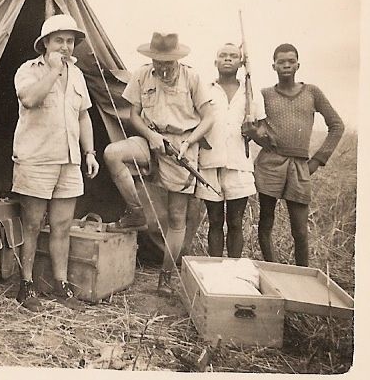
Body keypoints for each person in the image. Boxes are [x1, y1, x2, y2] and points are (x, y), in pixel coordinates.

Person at [103, 32, 214, 296]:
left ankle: (166, 276)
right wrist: (151, 135)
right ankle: (136, 211)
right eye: (158, 61)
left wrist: (188, 143)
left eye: (168, 62)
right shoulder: (142, 75)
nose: (162, 67)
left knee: (177, 218)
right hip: (151, 140)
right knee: (112, 153)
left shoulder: (192, 77)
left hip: (180, 146)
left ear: (177, 58)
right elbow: (133, 114)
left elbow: (209, 117)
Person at [12, 14, 99, 312]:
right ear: (45, 43)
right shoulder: (28, 71)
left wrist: (89, 152)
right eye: (59, 40)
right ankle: (26, 284)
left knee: (62, 225)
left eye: (70, 41)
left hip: (69, 160)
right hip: (36, 159)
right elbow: (30, 100)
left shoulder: (77, 75)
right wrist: (52, 71)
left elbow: (83, 115)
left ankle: (60, 284)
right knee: (33, 224)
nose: (65, 46)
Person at [255, 43, 344, 267]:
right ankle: (272, 270)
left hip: (299, 167)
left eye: (291, 61)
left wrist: (316, 160)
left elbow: (337, 125)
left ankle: (302, 276)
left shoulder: (312, 92)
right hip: (269, 164)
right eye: (281, 61)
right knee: (266, 222)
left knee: (300, 230)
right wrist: (260, 137)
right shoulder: (263, 94)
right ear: (273, 65)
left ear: (298, 64)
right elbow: (251, 126)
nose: (286, 65)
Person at [195, 43, 266, 258]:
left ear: (241, 62)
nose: (227, 59)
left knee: (235, 223)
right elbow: (195, 120)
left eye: (233, 56)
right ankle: (216, 271)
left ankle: (233, 272)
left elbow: (262, 129)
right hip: (209, 163)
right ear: (215, 61)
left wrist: (252, 131)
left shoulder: (250, 93)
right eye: (222, 55)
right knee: (215, 222)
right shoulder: (204, 89)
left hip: (239, 165)